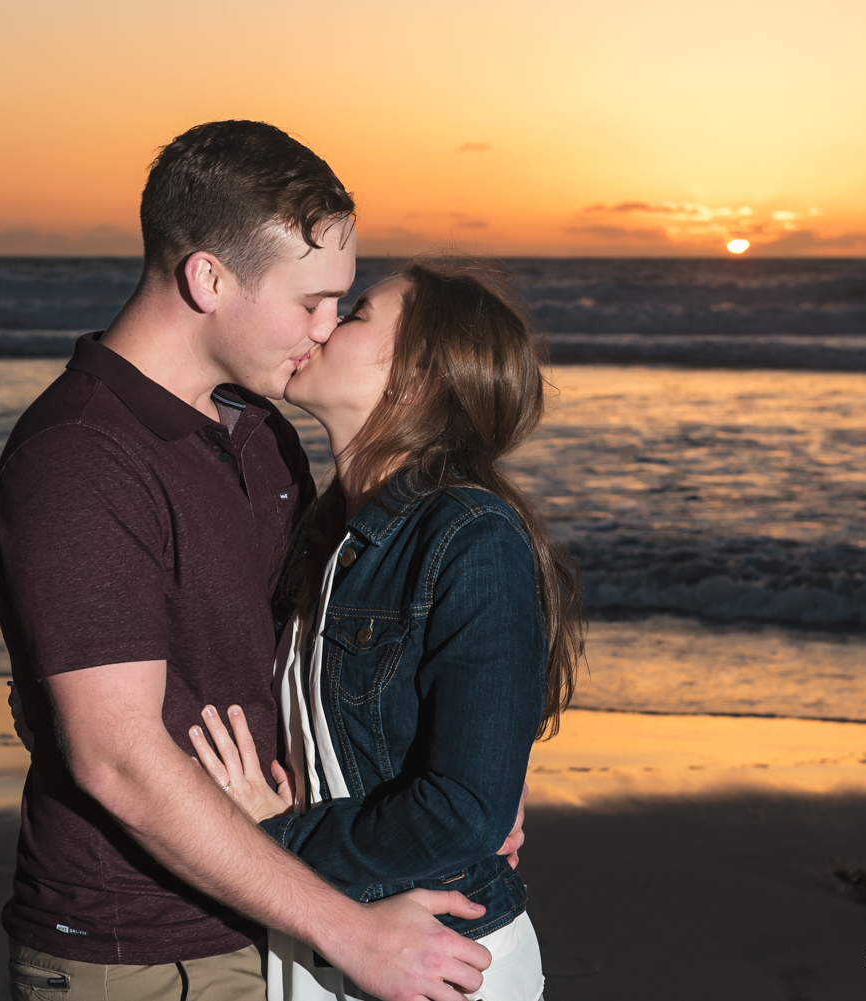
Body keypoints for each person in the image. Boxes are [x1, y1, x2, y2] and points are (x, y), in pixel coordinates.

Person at [0, 121, 499, 1001]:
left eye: (341, 300)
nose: (329, 327)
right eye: (311, 302)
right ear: (208, 279)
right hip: (142, 947)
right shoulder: (79, 460)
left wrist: (476, 776)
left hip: (274, 907)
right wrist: (353, 932)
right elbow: (118, 761)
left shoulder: (260, 432)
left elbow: (337, 644)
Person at [187, 262, 585, 1001]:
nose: (323, 321)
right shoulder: (325, 534)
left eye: (357, 312)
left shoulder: (470, 535)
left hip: (440, 959)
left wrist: (273, 841)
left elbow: (466, 812)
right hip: (332, 939)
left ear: (416, 378)